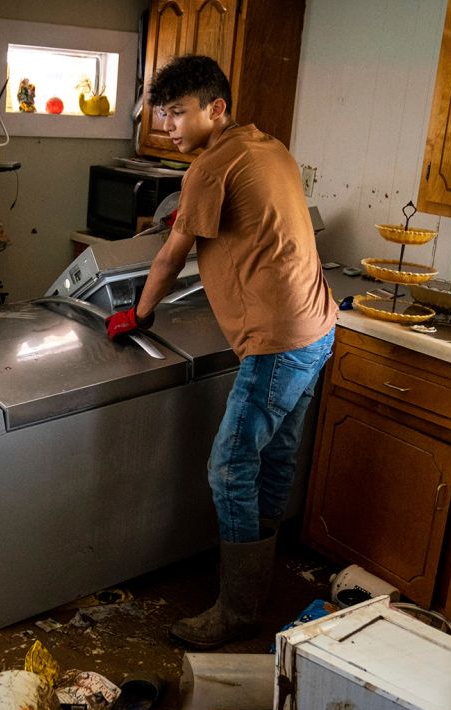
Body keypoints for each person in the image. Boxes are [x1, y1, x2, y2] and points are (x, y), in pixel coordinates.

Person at [105, 55, 337, 650]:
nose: (170, 127)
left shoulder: (210, 168)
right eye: (163, 115)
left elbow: (170, 257)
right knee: (274, 459)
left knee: (230, 467)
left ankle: (236, 610)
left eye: (179, 113)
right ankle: (257, 590)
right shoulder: (270, 147)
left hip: (278, 342)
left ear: (217, 109)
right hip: (319, 325)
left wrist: (140, 314)